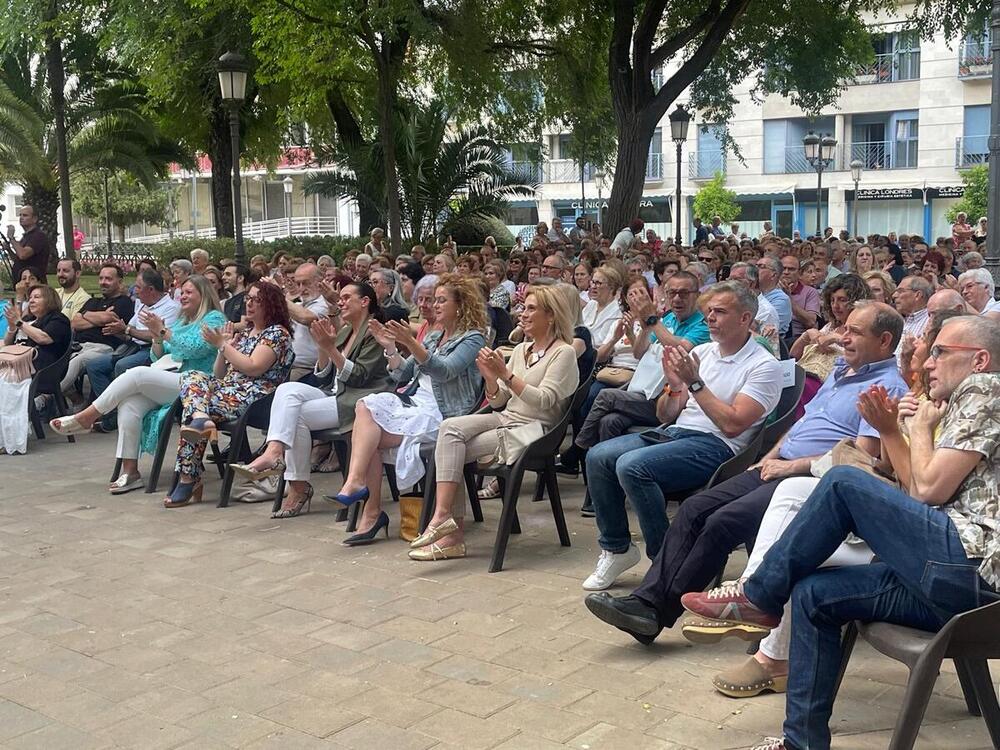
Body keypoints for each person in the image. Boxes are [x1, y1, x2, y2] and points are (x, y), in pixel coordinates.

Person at [681, 315, 1000, 750]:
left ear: (980, 359)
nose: (928, 363)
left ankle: (757, 596)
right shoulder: (957, 400)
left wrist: (918, 430)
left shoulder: (988, 389)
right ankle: (802, 743)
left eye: (941, 352)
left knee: (843, 482)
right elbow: (916, 490)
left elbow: (926, 492)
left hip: (973, 572)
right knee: (814, 594)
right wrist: (898, 430)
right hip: (945, 574)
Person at [585, 304, 907, 673]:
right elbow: (801, 424)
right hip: (777, 463)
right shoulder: (842, 373)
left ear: (884, 341)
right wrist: (769, 454)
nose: (843, 337)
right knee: (695, 508)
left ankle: (655, 611)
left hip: (811, 480)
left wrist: (791, 465)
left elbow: (860, 456)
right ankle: (647, 603)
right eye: (845, 329)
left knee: (724, 521)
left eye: (855, 332)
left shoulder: (887, 388)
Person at [582, 282, 784, 590]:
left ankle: (667, 559)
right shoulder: (703, 352)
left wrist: (696, 383)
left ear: (745, 318)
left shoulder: (763, 365)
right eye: (708, 312)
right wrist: (675, 385)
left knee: (632, 466)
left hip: (719, 446)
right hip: (676, 433)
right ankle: (617, 548)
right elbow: (666, 414)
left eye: (720, 312)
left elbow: (732, 425)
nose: (710, 319)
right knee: (597, 456)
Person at [411, 284, 581, 560]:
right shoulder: (522, 348)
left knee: (452, 450)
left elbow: (544, 401)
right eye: (523, 308)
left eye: (531, 309)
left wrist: (505, 374)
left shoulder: (564, 352)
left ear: (550, 316)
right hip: (506, 418)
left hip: (536, 431)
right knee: (449, 428)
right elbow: (501, 400)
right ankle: (444, 518)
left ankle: (450, 534)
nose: (522, 314)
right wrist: (491, 378)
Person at [328, 275, 486, 543]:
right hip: (413, 404)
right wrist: (390, 347)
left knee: (369, 435)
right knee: (365, 407)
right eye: (434, 300)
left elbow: (445, 371)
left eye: (441, 300)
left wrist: (412, 342)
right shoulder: (435, 336)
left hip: (443, 413)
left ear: (460, 305)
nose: (434, 305)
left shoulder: (473, 339)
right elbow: (402, 374)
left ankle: (371, 509)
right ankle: (356, 483)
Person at [51, 276, 225, 489]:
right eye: (182, 292)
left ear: (204, 294)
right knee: (130, 403)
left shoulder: (214, 318)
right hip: (173, 377)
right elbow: (159, 355)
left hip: (198, 385)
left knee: (138, 373)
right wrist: (157, 338)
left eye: (189, 292)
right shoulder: (183, 320)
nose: (183, 296)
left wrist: (163, 331)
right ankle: (130, 471)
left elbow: (196, 348)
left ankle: (88, 416)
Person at [232, 283, 389, 518]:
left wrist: (330, 348)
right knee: (287, 390)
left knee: (295, 415)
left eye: (347, 298)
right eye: (340, 298)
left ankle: (297, 486)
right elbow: (324, 375)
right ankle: (275, 451)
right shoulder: (346, 331)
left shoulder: (375, 330)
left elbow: (359, 377)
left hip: (360, 400)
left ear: (365, 301)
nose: (340, 302)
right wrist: (323, 348)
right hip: (335, 393)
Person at [162, 282, 294, 507]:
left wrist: (223, 346)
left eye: (256, 299)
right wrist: (224, 350)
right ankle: (201, 419)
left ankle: (188, 477)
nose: (249, 304)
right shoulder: (244, 333)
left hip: (257, 396)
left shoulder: (277, 334)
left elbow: (254, 367)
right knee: (192, 376)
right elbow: (219, 373)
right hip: (228, 390)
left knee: (191, 413)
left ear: (270, 304)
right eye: (247, 299)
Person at [84, 268, 182, 426]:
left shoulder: (171, 308)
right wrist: (117, 329)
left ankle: (117, 417)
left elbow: (157, 336)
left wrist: (128, 330)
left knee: (122, 365)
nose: (134, 291)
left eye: (138, 287)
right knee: (94, 365)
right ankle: (111, 412)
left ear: (150, 290)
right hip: (131, 347)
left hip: (153, 351)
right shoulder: (144, 305)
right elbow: (129, 330)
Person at [0, 285, 70, 453]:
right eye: (30, 297)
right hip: (20, 365)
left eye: (37, 297)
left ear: (50, 300)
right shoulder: (31, 320)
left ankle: (10, 441)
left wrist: (19, 323)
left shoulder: (58, 319)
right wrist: (12, 327)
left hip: (44, 369)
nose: (31, 300)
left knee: (5, 384)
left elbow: (44, 339)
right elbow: (9, 344)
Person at [790, 274, 870, 408]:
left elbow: (865, 360)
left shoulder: (863, 330)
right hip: (798, 376)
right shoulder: (831, 326)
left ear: (856, 301)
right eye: (832, 300)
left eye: (842, 300)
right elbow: (792, 356)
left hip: (825, 388)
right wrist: (807, 335)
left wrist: (837, 338)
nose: (835, 306)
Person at [62, 263, 134, 399]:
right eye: (101, 278)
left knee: (76, 362)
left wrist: (85, 314)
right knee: (55, 358)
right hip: (79, 346)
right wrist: (98, 318)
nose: (103, 282)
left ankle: (48, 396)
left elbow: (108, 319)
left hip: (104, 348)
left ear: (119, 282)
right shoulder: (93, 301)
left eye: (108, 279)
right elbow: (74, 323)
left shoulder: (124, 302)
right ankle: (70, 400)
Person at [284, 263, 329, 380]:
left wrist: (279, 297)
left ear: (321, 282)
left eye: (306, 283)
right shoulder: (298, 305)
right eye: (298, 283)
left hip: (309, 370)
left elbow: (306, 318)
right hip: (286, 366)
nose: (301, 288)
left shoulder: (325, 304)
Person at [5, 205, 49, 283]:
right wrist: (9, 249)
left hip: (34, 283)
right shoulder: (25, 237)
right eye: (20, 215)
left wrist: (11, 238)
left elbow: (23, 255)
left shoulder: (38, 236)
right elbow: (17, 259)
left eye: (25, 215)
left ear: (34, 219)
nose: (21, 218)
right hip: (22, 284)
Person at [780, 255, 820, 340]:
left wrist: (788, 298)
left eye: (791, 269)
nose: (786, 272)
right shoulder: (770, 289)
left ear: (799, 273)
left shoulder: (810, 292)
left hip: (797, 339)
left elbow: (811, 322)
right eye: (783, 268)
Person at [581, 267, 622, 347]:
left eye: (598, 283)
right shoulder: (591, 304)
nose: (593, 287)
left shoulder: (616, 311)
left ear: (612, 287)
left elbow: (601, 342)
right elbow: (578, 326)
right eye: (592, 282)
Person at [755, 256, 792, 335]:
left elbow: (761, 329)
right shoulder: (753, 294)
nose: (755, 270)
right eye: (755, 266)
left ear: (773, 275)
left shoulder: (781, 300)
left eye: (761, 267)